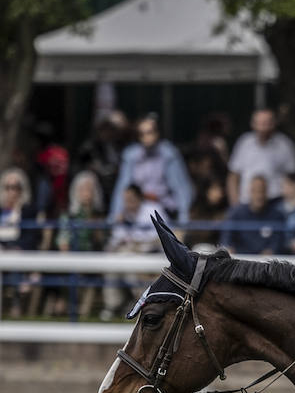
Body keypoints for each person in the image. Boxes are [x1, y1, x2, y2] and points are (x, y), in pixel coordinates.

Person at [107, 113, 193, 224]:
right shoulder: (131, 155)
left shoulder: (168, 154)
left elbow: (181, 188)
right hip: (137, 212)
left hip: (164, 211)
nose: (146, 137)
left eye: (149, 132)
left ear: (157, 133)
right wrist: (116, 214)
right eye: (142, 134)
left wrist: (183, 219)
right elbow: (122, 186)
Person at [101, 183, 163, 320]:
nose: (127, 203)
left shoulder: (152, 210)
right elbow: (116, 239)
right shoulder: (122, 214)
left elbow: (162, 237)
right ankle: (112, 305)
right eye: (125, 199)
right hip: (128, 252)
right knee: (111, 262)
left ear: (139, 198)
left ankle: (140, 303)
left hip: (152, 253)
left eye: (130, 199)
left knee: (127, 261)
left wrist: (137, 243)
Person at [55, 170, 107, 318]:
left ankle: (84, 313)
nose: (87, 193)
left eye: (90, 189)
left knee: (94, 274)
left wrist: (96, 226)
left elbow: (102, 241)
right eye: (83, 189)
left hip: (93, 258)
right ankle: (65, 304)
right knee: (67, 270)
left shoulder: (98, 215)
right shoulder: (69, 215)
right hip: (73, 257)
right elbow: (62, 241)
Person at [226, 108, 295, 206]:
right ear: (253, 124)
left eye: (267, 123)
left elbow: (294, 178)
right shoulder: (244, 143)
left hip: (276, 203)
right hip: (246, 203)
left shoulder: (285, 145)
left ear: (274, 123)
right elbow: (233, 176)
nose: (263, 127)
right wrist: (234, 203)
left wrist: (290, 203)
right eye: (260, 123)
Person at [0, 167, 42, 317]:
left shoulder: (28, 210)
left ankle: (16, 305)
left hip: (19, 249)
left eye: (16, 187)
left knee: (16, 260)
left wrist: (18, 247)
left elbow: (32, 236)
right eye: (8, 187)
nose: (12, 191)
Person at [220, 175, 287, 255]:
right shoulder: (236, 213)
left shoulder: (277, 216)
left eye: (262, 191)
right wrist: (228, 249)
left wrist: (270, 252)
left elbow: (277, 242)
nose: (259, 195)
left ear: (267, 192)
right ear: (249, 192)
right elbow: (226, 238)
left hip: (266, 262)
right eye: (255, 191)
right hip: (240, 260)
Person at [185, 178, 229, 249]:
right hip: (197, 247)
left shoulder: (224, 208)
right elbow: (194, 230)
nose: (219, 193)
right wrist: (213, 224)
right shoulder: (196, 207)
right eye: (215, 189)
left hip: (218, 247)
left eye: (220, 189)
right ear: (206, 190)